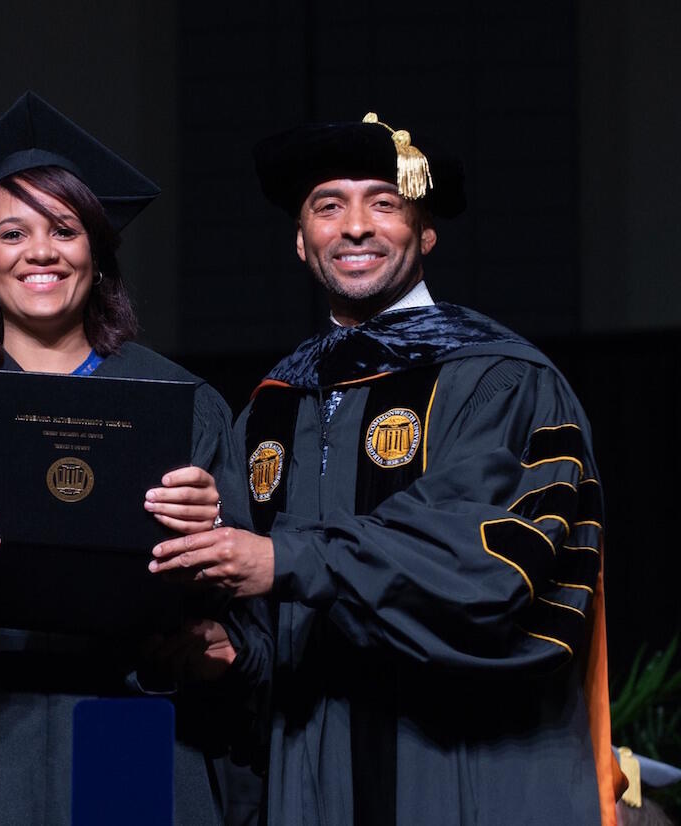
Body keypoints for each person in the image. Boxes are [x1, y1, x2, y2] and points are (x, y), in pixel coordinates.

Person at [149, 113, 626, 824]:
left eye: (384, 202)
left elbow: (487, 569)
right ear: (301, 241)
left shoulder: (501, 380)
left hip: (468, 776)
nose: (356, 227)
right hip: (315, 782)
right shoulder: (272, 409)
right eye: (328, 206)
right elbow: (267, 627)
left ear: (425, 231)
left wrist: (285, 559)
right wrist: (229, 651)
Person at [0, 92, 272, 825]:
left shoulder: (182, 404)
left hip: (144, 737)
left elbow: (248, 625)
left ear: (97, 256)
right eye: (11, 233)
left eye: (65, 229)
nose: (40, 250)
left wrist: (215, 599)